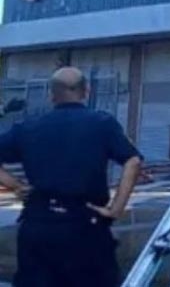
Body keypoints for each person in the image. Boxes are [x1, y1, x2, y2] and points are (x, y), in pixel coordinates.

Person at [0, 67, 143, 287]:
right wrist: (116, 208)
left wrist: (17, 186)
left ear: (51, 95)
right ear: (86, 90)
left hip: (38, 225)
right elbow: (132, 161)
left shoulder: (27, 127)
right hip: (85, 224)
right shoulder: (102, 124)